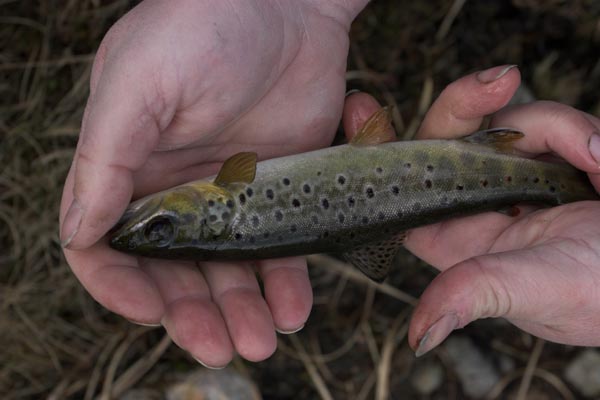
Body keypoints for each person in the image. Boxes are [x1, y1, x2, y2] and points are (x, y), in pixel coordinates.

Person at [60, 0, 600, 367]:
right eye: (162, 230)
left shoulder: (226, 194)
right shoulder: (228, 186)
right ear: (215, 208)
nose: (148, 220)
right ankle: (554, 184)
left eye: (161, 230)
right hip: (421, 187)